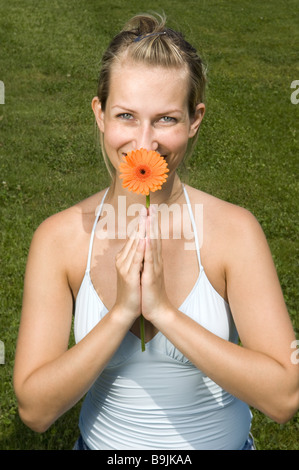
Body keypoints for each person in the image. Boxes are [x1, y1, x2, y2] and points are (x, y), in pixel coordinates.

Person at [14, 13, 299, 450]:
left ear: (194, 119)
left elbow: (283, 399)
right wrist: (122, 313)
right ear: (100, 114)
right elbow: (35, 410)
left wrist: (164, 311)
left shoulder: (234, 232)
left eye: (166, 119)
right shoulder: (59, 240)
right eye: (126, 115)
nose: (144, 142)